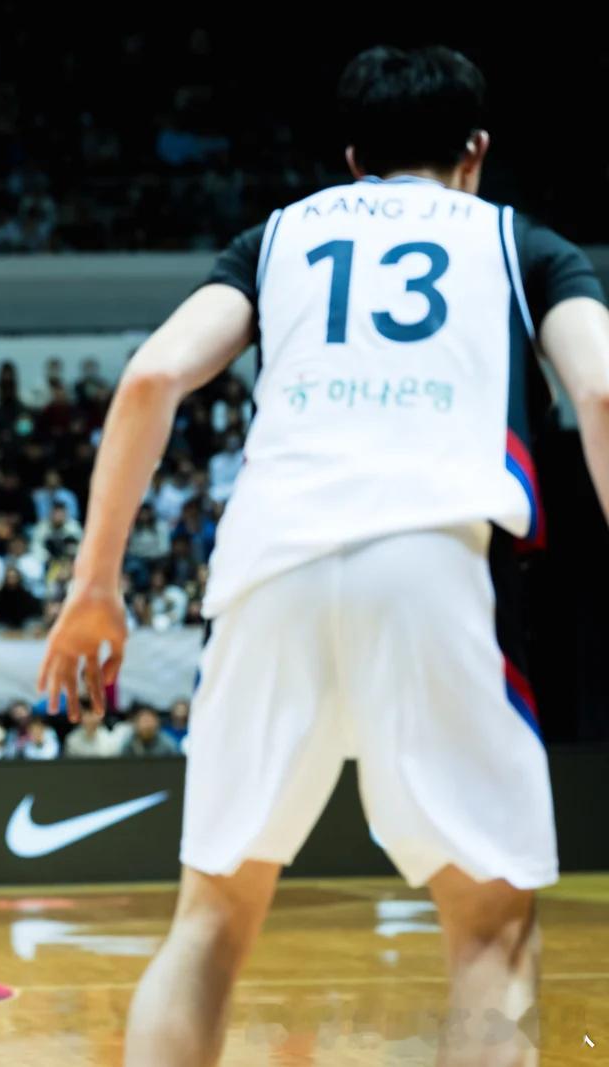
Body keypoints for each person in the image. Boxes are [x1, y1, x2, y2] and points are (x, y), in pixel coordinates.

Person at [39, 46, 609, 1066]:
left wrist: (95, 587)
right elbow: (601, 390)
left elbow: (151, 376)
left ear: (351, 159)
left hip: (268, 565)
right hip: (436, 559)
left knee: (210, 917)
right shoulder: (519, 242)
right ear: (476, 150)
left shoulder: (278, 237)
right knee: (490, 928)